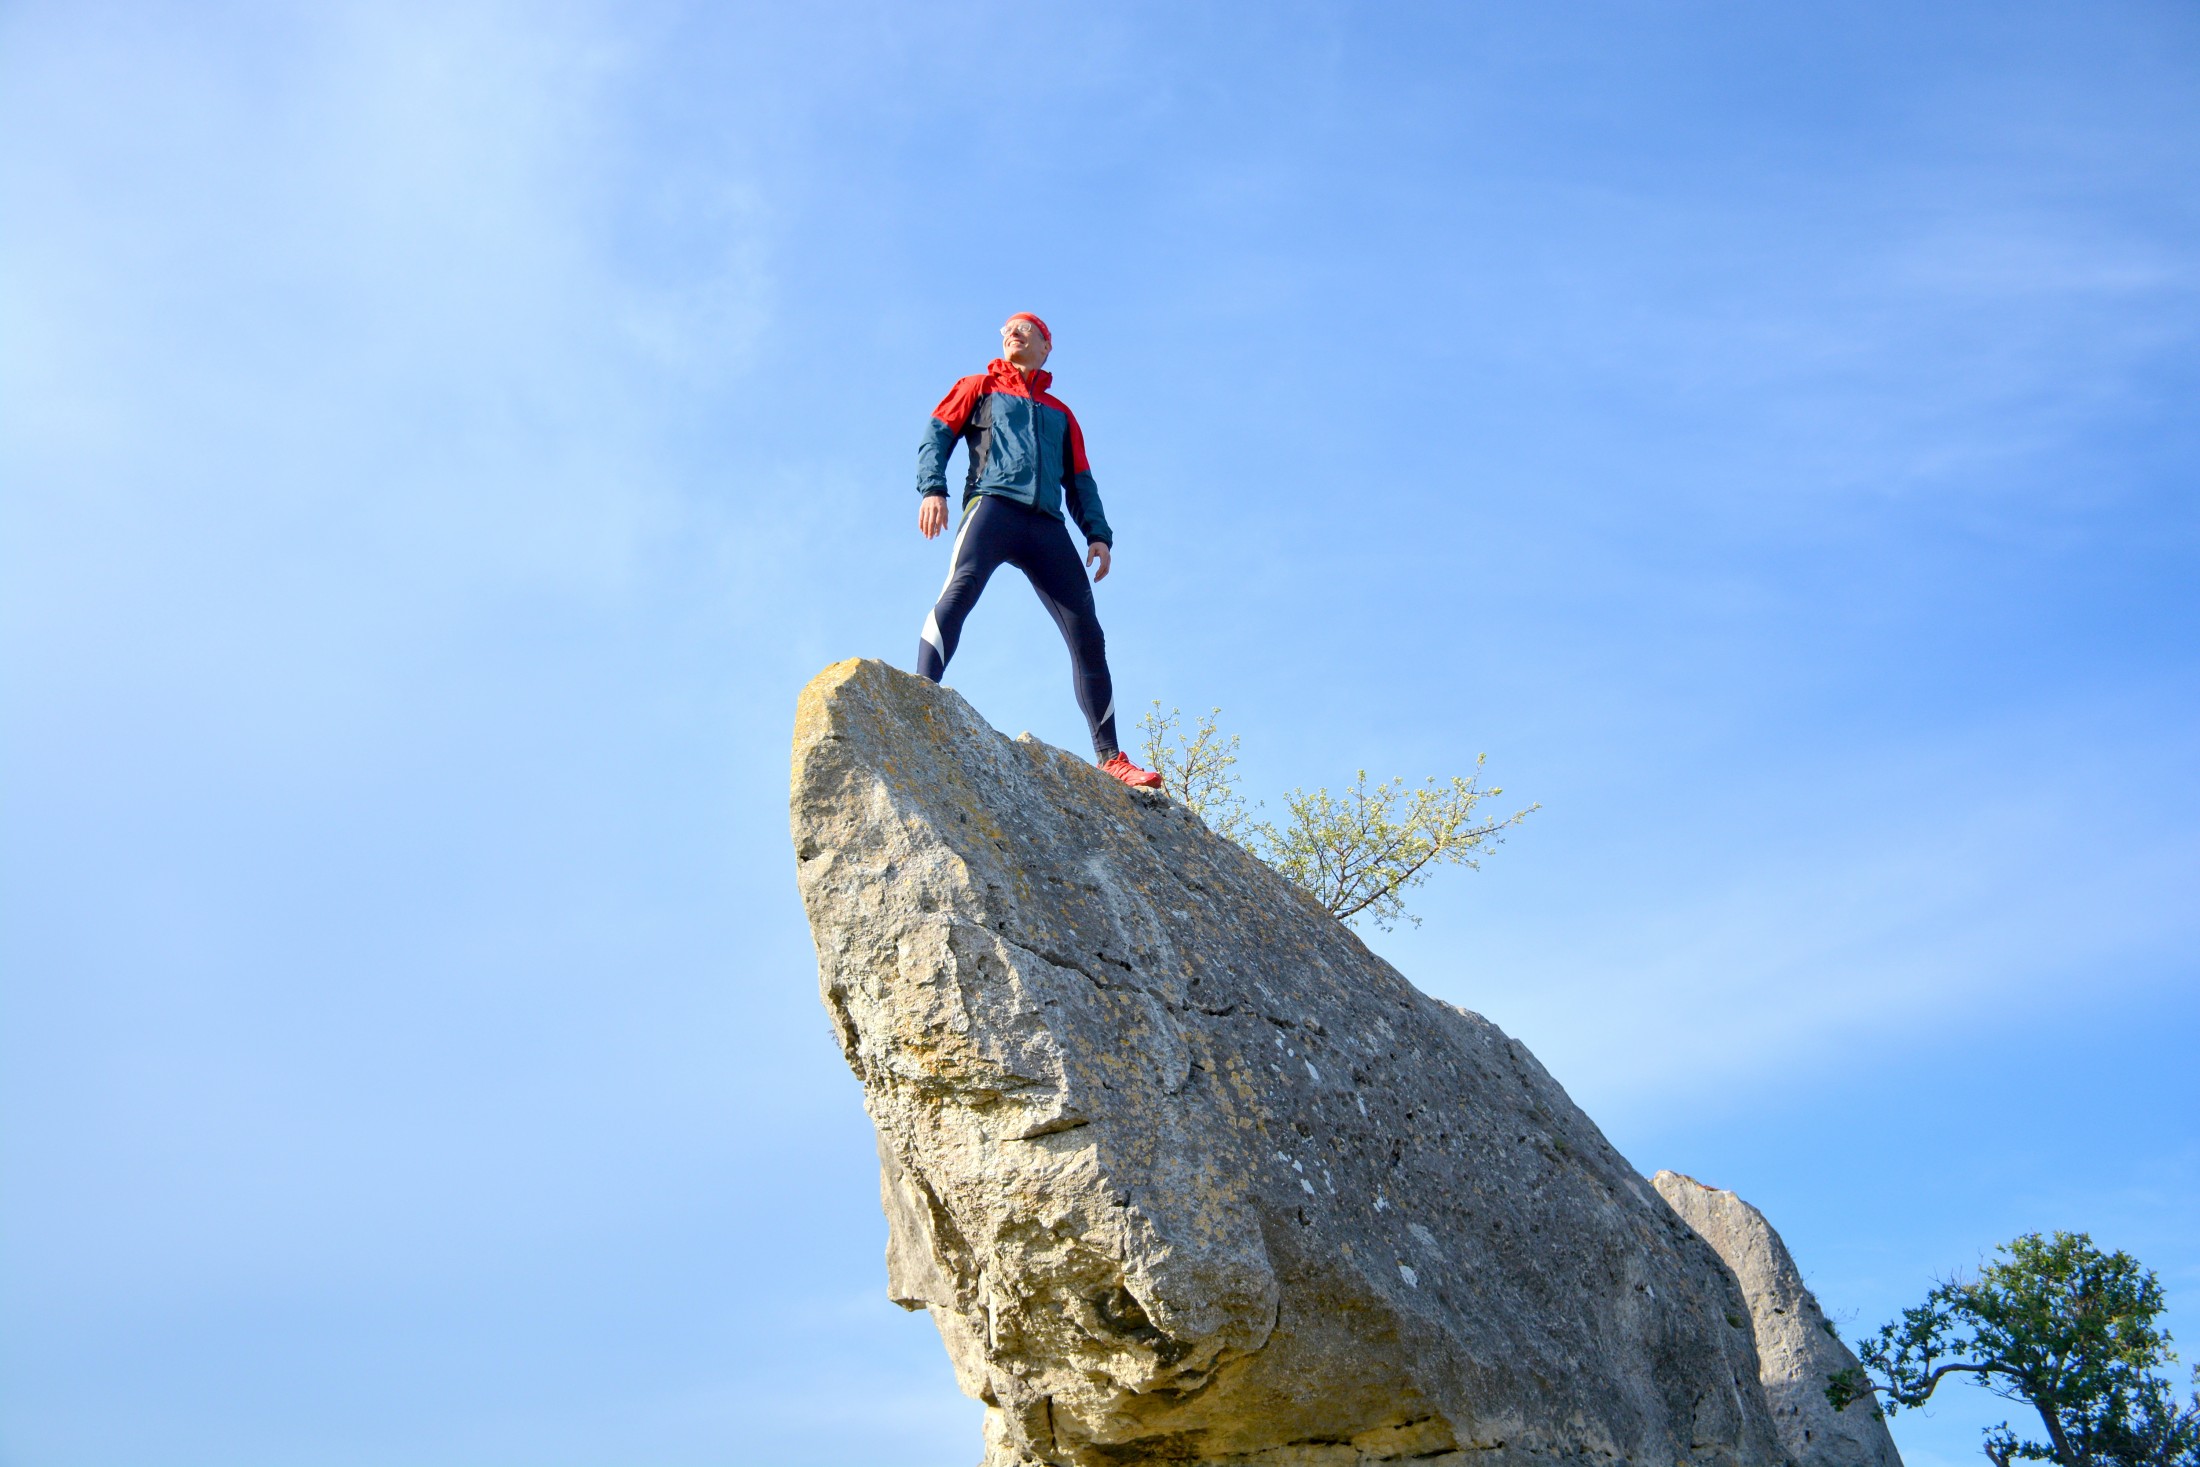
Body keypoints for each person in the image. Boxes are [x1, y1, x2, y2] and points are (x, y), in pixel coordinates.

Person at [913, 313, 1164, 790]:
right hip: (993, 508)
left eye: (1026, 328)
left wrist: (1098, 533)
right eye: (1007, 328)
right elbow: (937, 433)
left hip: (1048, 527)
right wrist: (933, 489)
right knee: (959, 591)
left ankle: (1111, 757)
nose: (1013, 332)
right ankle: (920, 696)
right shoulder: (979, 385)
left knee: (1087, 631)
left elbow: (1080, 480)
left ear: (1047, 346)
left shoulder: (1061, 414)